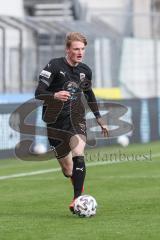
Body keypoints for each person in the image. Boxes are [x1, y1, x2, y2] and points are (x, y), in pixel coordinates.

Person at [35, 32, 108, 214]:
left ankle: (77, 200)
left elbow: (89, 94)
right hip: (54, 121)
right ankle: (77, 188)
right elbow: (38, 92)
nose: (80, 52)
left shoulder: (85, 70)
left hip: (76, 119)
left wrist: (99, 117)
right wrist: (54, 95)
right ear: (68, 49)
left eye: (82, 49)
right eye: (76, 49)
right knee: (68, 170)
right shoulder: (54, 66)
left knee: (78, 151)